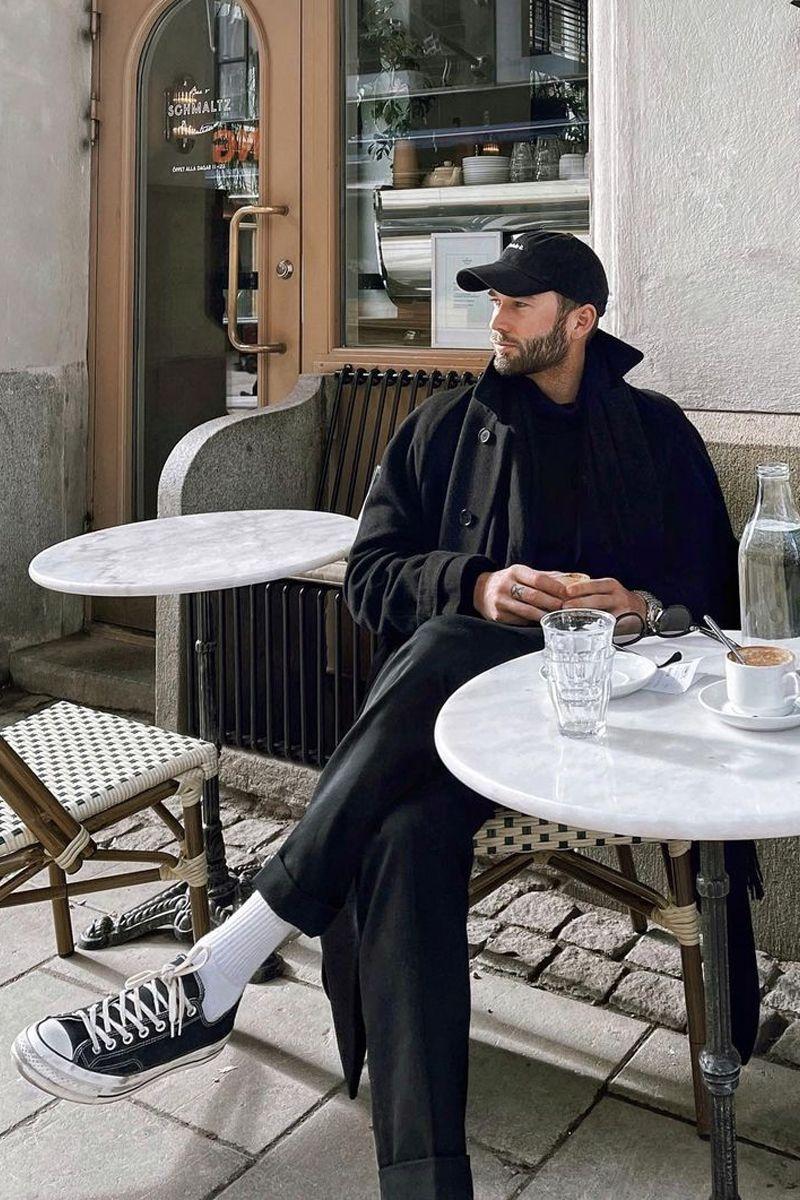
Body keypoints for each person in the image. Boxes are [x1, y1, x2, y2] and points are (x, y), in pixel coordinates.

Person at [12, 231, 761, 1200]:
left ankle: (226, 960)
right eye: (492, 300)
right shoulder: (439, 429)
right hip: (468, 732)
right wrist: (477, 587)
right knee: (404, 830)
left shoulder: (657, 434)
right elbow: (368, 577)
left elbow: (716, 602)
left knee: (439, 650)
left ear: (579, 321)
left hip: (625, 724)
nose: (494, 320)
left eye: (518, 303)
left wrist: (640, 608)